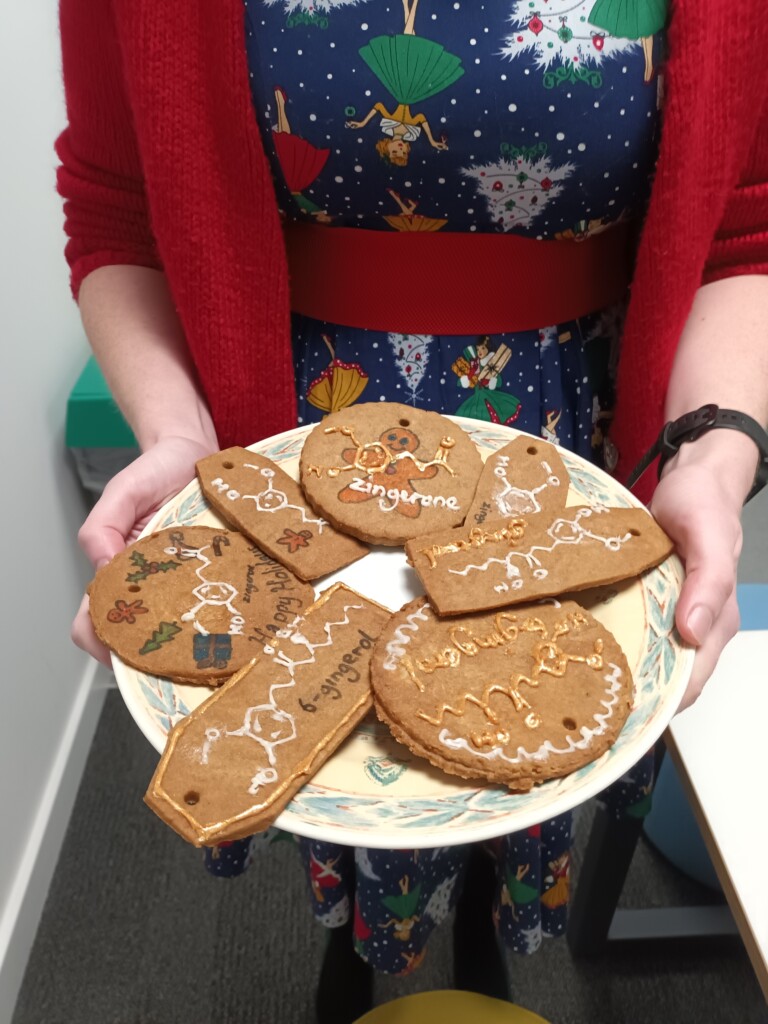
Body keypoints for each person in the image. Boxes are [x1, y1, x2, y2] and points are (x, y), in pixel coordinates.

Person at [58, 1, 768, 1021]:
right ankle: (352, 943)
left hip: (564, 447)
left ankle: (481, 929)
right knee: (329, 727)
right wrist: (179, 439)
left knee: (509, 711)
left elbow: (745, 220)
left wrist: (712, 449)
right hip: (297, 437)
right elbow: (119, 206)